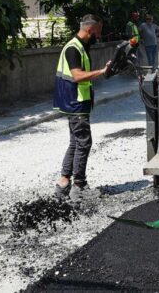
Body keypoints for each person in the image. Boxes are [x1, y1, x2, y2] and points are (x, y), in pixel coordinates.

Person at [53, 15, 112, 201]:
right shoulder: (73, 48)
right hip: (75, 102)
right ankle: (79, 187)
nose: (99, 35)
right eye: (98, 31)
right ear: (90, 30)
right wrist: (101, 72)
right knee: (84, 142)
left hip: (75, 102)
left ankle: (63, 182)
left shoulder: (80, 45)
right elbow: (77, 76)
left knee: (75, 142)